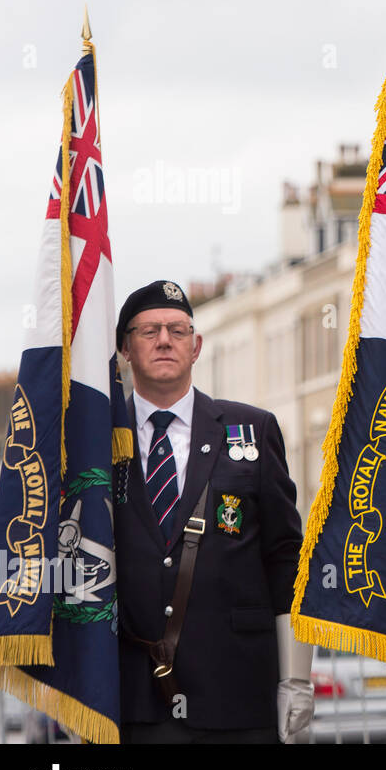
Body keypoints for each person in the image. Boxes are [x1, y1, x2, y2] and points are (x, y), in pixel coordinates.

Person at [114, 280, 313, 743]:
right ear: (125, 349)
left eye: (178, 330)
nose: (165, 340)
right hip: (134, 701)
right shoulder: (98, 442)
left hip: (237, 695)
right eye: (148, 332)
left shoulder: (253, 430)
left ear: (196, 345)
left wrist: (297, 678)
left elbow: (285, 557)